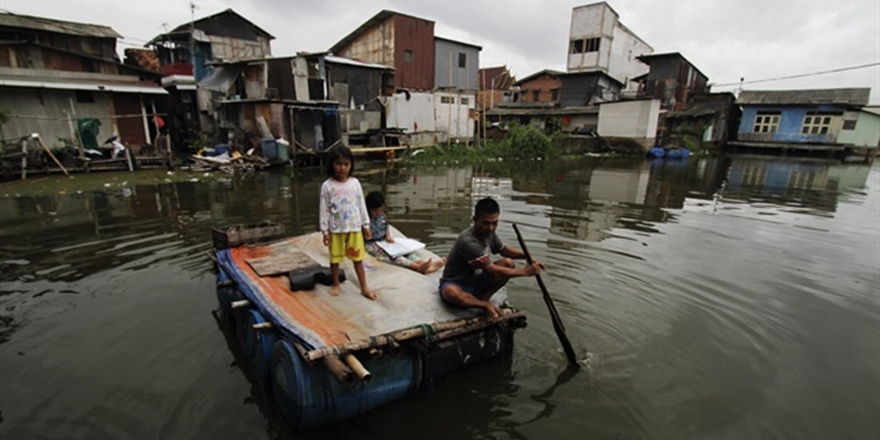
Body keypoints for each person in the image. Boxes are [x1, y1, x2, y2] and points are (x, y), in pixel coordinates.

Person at [439, 197, 544, 320]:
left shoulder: (490, 233)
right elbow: (492, 270)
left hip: (476, 279)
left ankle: (484, 298)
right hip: (458, 283)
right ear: (475, 219)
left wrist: (527, 256)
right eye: (486, 223)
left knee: (508, 263)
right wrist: (525, 272)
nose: (490, 228)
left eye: (494, 223)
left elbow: (504, 250)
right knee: (450, 293)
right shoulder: (468, 241)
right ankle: (484, 305)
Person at [319, 146, 378, 300]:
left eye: (346, 164)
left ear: (351, 165)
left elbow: (361, 204)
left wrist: (366, 225)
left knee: (358, 258)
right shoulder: (327, 186)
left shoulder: (355, 183)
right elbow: (324, 209)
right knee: (335, 259)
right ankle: (336, 283)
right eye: (338, 163)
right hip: (335, 229)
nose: (342, 168)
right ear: (332, 164)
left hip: (354, 228)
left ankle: (364, 287)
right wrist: (325, 231)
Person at [364, 191, 445, 274]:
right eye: (375, 211)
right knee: (393, 257)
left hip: (383, 241)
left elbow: (386, 225)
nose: (378, 213)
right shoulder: (365, 219)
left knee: (405, 252)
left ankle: (424, 263)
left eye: (380, 210)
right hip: (371, 244)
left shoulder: (382, 216)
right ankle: (418, 267)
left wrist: (388, 235)